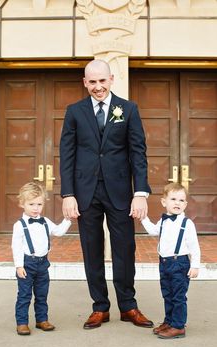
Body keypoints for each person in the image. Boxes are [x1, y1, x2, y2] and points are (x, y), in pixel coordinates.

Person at [60, 59, 153, 329]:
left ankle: (128, 306)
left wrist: (141, 192)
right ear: (85, 82)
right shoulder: (74, 111)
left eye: (102, 81)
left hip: (121, 192)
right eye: (92, 82)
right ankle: (100, 307)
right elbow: (67, 154)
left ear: (111, 79)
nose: (98, 87)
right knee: (92, 249)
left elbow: (138, 152)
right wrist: (68, 193)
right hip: (85, 192)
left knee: (125, 248)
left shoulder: (128, 109)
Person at [141, 182, 201, 339]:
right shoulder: (164, 221)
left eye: (181, 200)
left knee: (178, 296)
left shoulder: (187, 224)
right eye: (173, 199)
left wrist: (195, 265)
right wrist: (143, 218)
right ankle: (169, 321)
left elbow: (194, 247)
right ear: (164, 202)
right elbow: (153, 231)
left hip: (180, 264)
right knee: (167, 294)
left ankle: (178, 326)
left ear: (186, 204)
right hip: (165, 263)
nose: (177, 203)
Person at [12, 182, 71, 335]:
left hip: (43, 263)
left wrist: (68, 220)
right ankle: (22, 322)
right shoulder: (19, 225)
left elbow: (58, 232)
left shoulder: (45, 221)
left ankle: (41, 320)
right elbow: (16, 246)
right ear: (22, 204)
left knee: (42, 294)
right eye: (31, 204)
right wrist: (19, 266)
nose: (35, 208)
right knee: (24, 295)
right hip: (27, 264)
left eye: (39, 204)